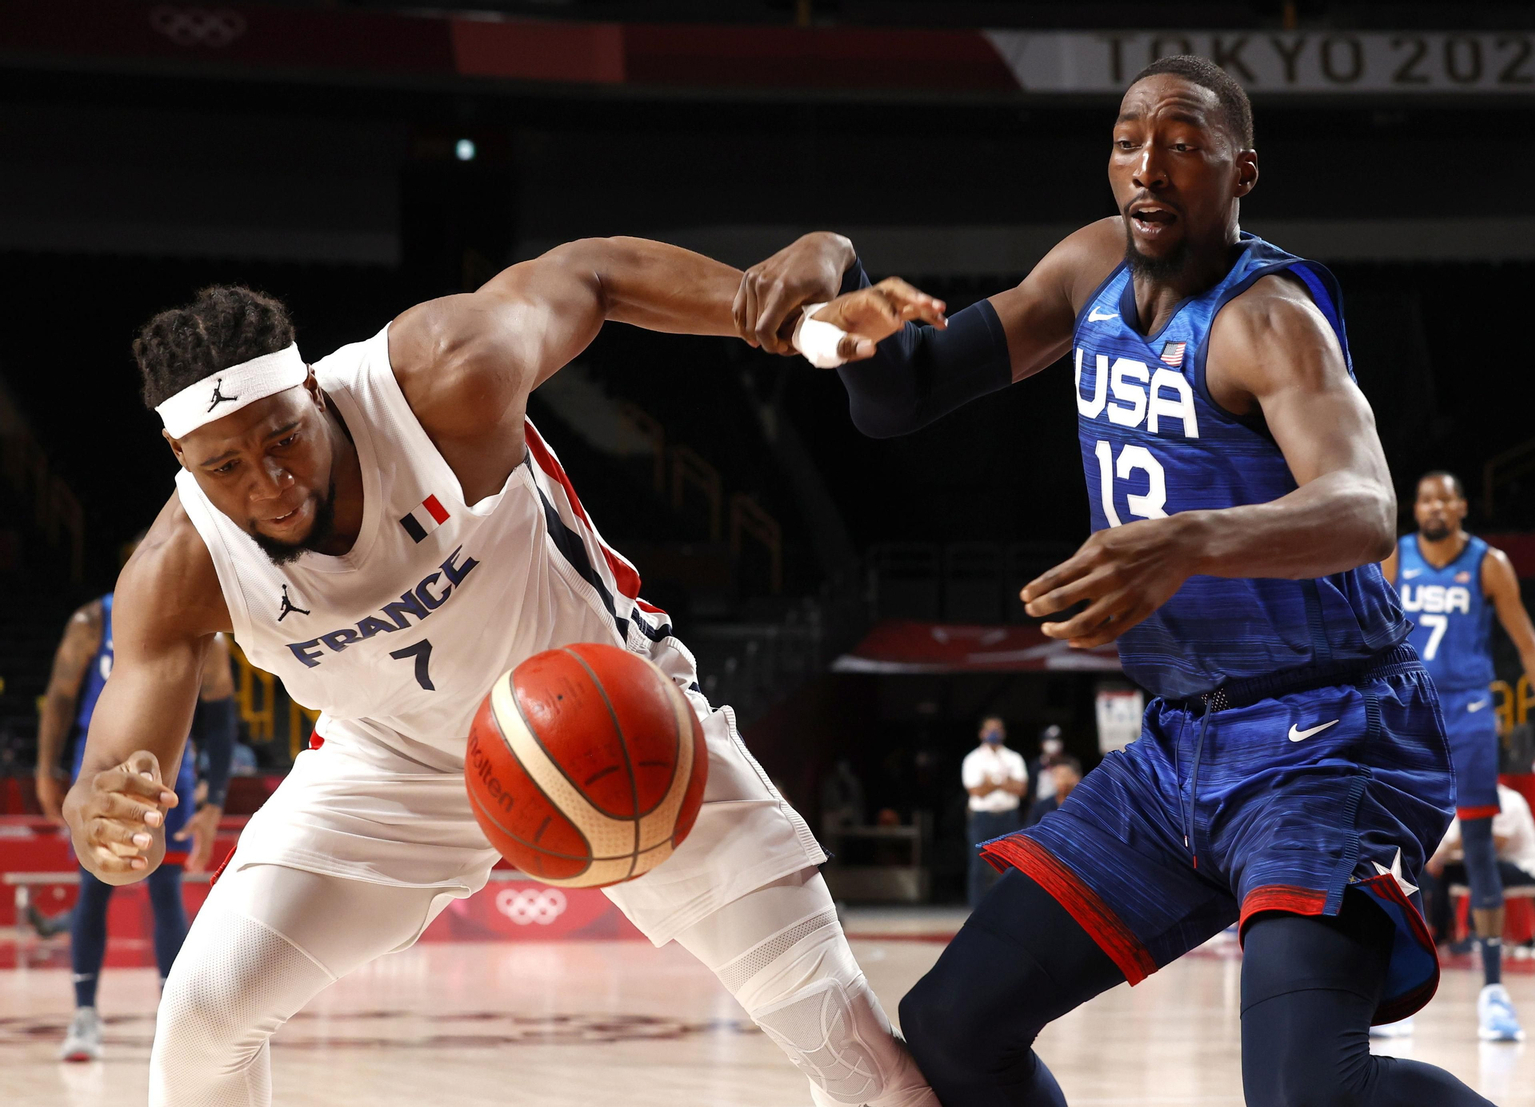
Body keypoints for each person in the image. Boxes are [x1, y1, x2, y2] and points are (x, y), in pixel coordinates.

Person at [735, 53, 1492, 1107]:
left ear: (1241, 172)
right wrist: (841, 286)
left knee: (1306, 1095)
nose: (1149, 166)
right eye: (1130, 140)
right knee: (953, 1029)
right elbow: (902, 395)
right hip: (1182, 739)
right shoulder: (1089, 266)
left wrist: (1188, 540)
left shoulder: (1266, 319)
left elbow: (1365, 509)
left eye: (1183, 144)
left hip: (1329, 734)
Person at [62, 253, 935, 1107]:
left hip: (609, 714)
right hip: (390, 764)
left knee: (866, 1068)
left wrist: (765, 306)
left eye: (285, 437)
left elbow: (594, 278)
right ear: (181, 455)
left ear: (318, 390)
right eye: (227, 468)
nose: (272, 482)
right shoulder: (181, 568)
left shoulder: (441, 378)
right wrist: (102, 817)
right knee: (204, 1015)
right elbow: (108, 777)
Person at [1379, 470, 1535, 1040]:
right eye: (1425, 498)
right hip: (1409, 705)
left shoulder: (1489, 564)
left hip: (1467, 713)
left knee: (1482, 846)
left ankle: (1493, 992)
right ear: (1415, 509)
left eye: (1445, 497)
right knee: (1393, 846)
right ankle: (1395, 989)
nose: (1435, 505)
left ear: (1462, 506)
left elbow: (1529, 646)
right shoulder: (1396, 556)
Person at [34, 594, 235, 1061]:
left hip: (168, 772)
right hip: (99, 768)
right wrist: (46, 770)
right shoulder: (91, 621)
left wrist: (215, 802)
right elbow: (60, 698)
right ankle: (84, 1014)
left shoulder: (207, 631)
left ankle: (174, 1018)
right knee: (93, 887)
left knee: (166, 891)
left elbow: (222, 723)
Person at [1411, 784, 1535, 981]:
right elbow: (1457, 839)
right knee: (1437, 872)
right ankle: (1439, 933)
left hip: (1521, 868)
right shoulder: (1464, 803)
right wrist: (1440, 857)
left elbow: (1496, 843)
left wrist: (1452, 849)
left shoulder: (1510, 800)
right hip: (1487, 863)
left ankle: (1476, 935)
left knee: (1480, 869)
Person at [960, 717, 1027, 906]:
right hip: (982, 818)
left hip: (1008, 817)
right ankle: (977, 908)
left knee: (1012, 865)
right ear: (981, 733)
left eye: (998, 729)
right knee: (978, 867)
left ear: (1004, 732)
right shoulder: (973, 759)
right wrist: (1004, 782)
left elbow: (1021, 789)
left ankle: (1010, 907)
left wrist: (990, 781)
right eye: (990, 729)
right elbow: (976, 791)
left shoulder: (1013, 757)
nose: (994, 733)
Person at [1027, 758, 1082, 827]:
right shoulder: (1041, 807)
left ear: (1076, 778)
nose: (1060, 781)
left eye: (1064, 776)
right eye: (1056, 776)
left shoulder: (1087, 806)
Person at [1029, 725, 1066, 802]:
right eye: (1050, 741)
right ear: (1042, 744)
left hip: (1063, 804)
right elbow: (1031, 791)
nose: (1054, 744)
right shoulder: (1036, 765)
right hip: (1043, 806)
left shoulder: (1069, 763)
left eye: (1057, 740)